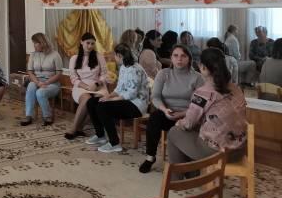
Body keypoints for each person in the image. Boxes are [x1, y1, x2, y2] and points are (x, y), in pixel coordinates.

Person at [167, 48, 247, 166]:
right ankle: (191, 172)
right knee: (194, 133)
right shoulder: (236, 88)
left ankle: (179, 175)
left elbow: (188, 124)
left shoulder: (203, 92)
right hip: (239, 149)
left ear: (203, 67)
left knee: (174, 132)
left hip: (217, 151)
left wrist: (178, 123)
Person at [138, 45, 203, 173]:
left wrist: (182, 114)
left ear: (189, 59)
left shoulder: (197, 77)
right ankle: (150, 157)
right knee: (154, 119)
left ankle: (187, 160)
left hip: (188, 115)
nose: (179, 59)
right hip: (167, 113)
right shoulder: (164, 74)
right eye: (176, 55)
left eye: (183, 56)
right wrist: (164, 110)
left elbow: (199, 104)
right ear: (171, 58)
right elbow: (155, 96)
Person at [85, 44, 150, 153]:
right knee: (91, 102)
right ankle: (100, 135)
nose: (114, 57)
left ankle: (114, 143)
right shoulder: (124, 67)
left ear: (119, 55)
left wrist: (111, 100)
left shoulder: (135, 69)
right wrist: (108, 96)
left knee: (102, 107)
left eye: (114, 55)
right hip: (126, 101)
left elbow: (131, 94)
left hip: (137, 105)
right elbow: (119, 88)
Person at [64, 32, 110, 140]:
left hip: (98, 86)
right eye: (88, 43)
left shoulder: (99, 56)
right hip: (81, 86)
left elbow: (105, 74)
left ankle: (80, 127)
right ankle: (74, 128)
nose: (90, 46)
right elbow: (73, 78)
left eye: (92, 44)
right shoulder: (74, 58)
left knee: (99, 102)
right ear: (81, 42)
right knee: (86, 99)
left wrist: (97, 84)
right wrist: (86, 87)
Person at [21, 33, 63, 126]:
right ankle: (28, 116)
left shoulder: (55, 55)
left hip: (52, 83)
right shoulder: (33, 55)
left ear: (42, 43)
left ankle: (47, 116)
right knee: (31, 86)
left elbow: (59, 74)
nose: (34, 46)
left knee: (40, 92)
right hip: (37, 81)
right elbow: (30, 72)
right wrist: (37, 83)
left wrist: (46, 82)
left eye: (35, 43)